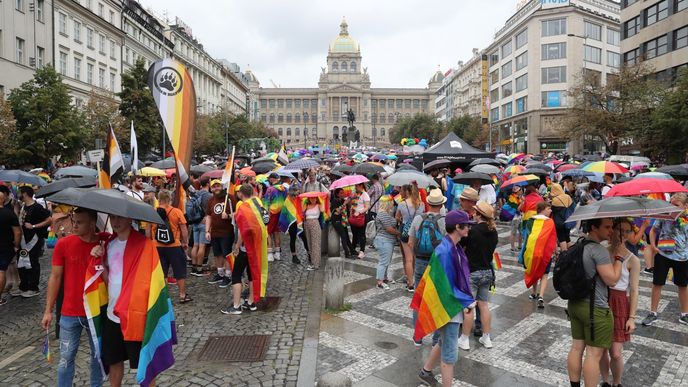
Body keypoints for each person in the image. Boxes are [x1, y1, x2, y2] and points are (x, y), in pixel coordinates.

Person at [94, 214, 175, 387]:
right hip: (112, 314)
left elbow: (154, 282)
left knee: (144, 364)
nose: (115, 222)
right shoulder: (109, 244)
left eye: (120, 218)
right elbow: (109, 280)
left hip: (136, 315)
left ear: (130, 219)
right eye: (112, 218)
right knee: (114, 362)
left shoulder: (145, 245)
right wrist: (99, 261)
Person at [41, 208, 105, 387]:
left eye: (79, 222)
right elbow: (55, 277)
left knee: (98, 358)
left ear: (92, 224)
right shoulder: (63, 244)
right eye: (73, 221)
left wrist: (103, 253)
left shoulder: (105, 242)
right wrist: (48, 310)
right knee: (66, 358)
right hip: (69, 311)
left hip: (96, 310)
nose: (74, 225)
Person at [415, 210, 477, 387]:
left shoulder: (453, 247)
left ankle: (426, 372)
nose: (469, 229)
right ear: (458, 227)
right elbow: (445, 286)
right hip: (448, 307)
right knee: (450, 355)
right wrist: (466, 301)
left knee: (443, 341)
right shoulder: (445, 250)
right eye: (467, 226)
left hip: (451, 305)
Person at [566, 218, 624, 387]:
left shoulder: (578, 245)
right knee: (593, 354)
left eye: (612, 227)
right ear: (593, 227)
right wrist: (619, 258)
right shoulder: (598, 250)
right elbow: (612, 280)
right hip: (595, 309)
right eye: (606, 227)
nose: (611, 230)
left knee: (576, 348)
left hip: (575, 305)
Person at [600, 218, 641, 387]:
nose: (622, 234)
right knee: (601, 349)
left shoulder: (633, 259)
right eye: (619, 229)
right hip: (602, 298)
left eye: (627, 231)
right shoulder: (602, 250)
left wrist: (632, 317)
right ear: (613, 230)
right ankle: (605, 382)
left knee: (616, 353)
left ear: (631, 233)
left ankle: (617, 383)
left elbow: (634, 289)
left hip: (619, 302)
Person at [642, 192, 688, 326]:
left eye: (677, 205)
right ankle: (653, 313)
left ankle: (684, 314)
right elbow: (652, 230)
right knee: (657, 283)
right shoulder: (664, 216)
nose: (673, 208)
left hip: (682, 257)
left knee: (683, 285)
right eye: (671, 205)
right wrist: (654, 246)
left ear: (685, 206)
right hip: (663, 255)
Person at [222, 184, 268, 315]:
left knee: (236, 275)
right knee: (252, 273)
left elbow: (243, 230)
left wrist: (237, 246)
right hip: (256, 246)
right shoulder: (257, 203)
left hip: (245, 247)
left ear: (240, 194)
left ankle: (236, 306)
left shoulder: (243, 207)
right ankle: (251, 302)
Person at [408, 188, 447, 346]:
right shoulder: (444, 221)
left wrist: (417, 256)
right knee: (436, 300)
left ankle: (418, 336)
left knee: (419, 298)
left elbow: (410, 242)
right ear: (441, 204)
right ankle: (436, 338)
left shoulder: (418, 218)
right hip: (438, 263)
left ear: (429, 203)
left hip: (421, 262)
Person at [459, 200, 499, 350]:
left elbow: (462, 245)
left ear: (479, 214)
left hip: (473, 272)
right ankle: (486, 337)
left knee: (469, 306)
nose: (473, 213)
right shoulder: (493, 231)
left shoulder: (473, 231)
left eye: (475, 212)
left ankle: (464, 339)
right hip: (487, 272)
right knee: (484, 305)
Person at [149, 190, 191, 303]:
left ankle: (164, 296)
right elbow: (184, 230)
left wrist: (151, 242)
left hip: (157, 246)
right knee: (179, 271)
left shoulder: (152, 212)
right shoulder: (176, 211)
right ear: (170, 199)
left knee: (162, 272)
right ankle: (182, 295)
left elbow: (148, 231)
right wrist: (185, 242)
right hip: (174, 246)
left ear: (159, 198)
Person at [17, 185, 52, 297]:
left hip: (33, 239)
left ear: (25, 194)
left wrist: (33, 226)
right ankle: (24, 286)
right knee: (22, 262)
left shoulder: (37, 207)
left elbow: (49, 220)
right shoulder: (23, 206)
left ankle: (33, 287)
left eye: (19, 193)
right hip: (23, 240)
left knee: (32, 262)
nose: (18, 195)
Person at [524, 202, 557, 308]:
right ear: (542, 209)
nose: (551, 210)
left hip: (532, 251)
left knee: (534, 271)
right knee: (544, 274)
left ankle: (534, 293)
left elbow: (527, 236)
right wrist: (556, 251)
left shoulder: (531, 220)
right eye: (549, 208)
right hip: (546, 253)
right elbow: (553, 238)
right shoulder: (550, 222)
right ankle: (541, 295)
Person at [205, 180, 234, 288]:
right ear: (211, 189)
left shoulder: (230, 198)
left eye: (218, 186)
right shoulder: (211, 200)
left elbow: (238, 212)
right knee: (217, 254)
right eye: (214, 187)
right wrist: (207, 231)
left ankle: (228, 275)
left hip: (227, 232)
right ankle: (220, 273)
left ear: (222, 187)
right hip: (214, 232)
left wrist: (229, 215)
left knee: (227, 254)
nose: (216, 188)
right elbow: (208, 216)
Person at [397, 184, 425, 292]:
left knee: (408, 259)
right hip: (417, 231)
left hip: (405, 231)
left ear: (407, 191)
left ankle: (410, 283)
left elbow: (397, 218)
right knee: (415, 257)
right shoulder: (421, 204)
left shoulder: (402, 204)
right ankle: (417, 280)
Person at [0, 185, 20, 305]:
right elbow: (17, 232)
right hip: (5, 246)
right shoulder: (9, 213)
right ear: (3, 199)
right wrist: (16, 245)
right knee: (1, 271)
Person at [373, 196, 399, 289]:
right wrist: (399, 233)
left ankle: (384, 278)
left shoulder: (385, 213)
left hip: (386, 240)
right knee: (383, 261)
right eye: (391, 203)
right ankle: (380, 282)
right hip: (384, 240)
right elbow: (389, 229)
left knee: (386, 261)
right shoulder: (383, 214)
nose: (393, 204)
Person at [280, 186, 308, 265]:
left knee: (304, 237)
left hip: (299, 221)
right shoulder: (287, 201)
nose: (295, 197)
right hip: (292, 222)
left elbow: (303, 205)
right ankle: (294, 256)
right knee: (293, 239)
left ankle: (309, 253)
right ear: (290, 194)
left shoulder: (299, 199)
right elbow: (285, 213)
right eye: (293, 195)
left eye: (296, 194)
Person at [189, 177, 212, 276]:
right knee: (202, 246)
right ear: (208, 183)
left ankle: (193, 267)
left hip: (195, 221)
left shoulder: (196, 193)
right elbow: (209, 210)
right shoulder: (209, 196)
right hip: (204, 222)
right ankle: (199, 269)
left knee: (195, 245)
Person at [264, 173, 287, 261]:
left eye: (269, 179)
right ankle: (277, 254)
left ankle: (270, 254)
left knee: (268, 232)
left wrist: (266, 213)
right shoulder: (283, 189)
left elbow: (266, 202)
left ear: (272, 179)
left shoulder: (270, 189)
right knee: (277, 232)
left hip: (271, 213)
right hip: (280, 212)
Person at [331, 188, 354, 259]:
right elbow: (337, 212)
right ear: (337, 194)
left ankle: (352, 250)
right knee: (343, 236)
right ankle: (347, 253)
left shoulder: (343, 200)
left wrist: (349, 203)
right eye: (341, 193)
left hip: (343, 221)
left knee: (347, 236)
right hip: (337, 221)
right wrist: (344, 204)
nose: (343, 194)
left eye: (343, 192)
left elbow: (347, 210)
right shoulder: (335, 201)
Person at [551, 183, 574, 251]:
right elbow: (572, 207)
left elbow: (553, 210)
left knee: (561, 238)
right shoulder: (568, 196)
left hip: (559, 222)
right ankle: (571, 253)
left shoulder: (555, 199)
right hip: (568, 220)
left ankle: (564, 254)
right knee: (567, 237)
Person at [350, 183, 370, 259]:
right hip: (353, 216)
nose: (355, 187)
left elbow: (367, 207)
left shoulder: (365, 195)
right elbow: (351, 203)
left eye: (356, 186)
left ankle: (362, 251)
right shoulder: (354, 194)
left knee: (361, 234)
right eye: (355, 186)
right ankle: (353, 249)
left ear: (361, 186)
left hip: (361, 217)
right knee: (354, 234)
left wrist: (359, 212)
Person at [303, 196, 323, 270]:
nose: (313, 199)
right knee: (310, 243)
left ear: (317, 198)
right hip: (307, 224)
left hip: (315, 223)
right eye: (311, 198)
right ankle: (313, 262)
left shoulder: (319, 205)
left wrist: (321, 202)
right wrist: (305, 204)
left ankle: (316, 264)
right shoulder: (307, 205)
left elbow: (323, 210)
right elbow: (302, 211)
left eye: (314, 198)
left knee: (315, 244)